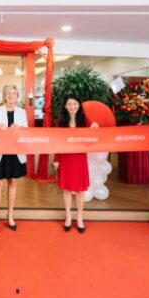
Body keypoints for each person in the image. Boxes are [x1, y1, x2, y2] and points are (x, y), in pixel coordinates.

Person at [0, 85, 28, 237]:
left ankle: (10, 215)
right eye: (8, 93)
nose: (11, 95)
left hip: (15, 153)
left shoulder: (22, 112)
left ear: (17, 96)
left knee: (13, 182)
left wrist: (20, 128)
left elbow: (26, 132)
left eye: (14, 93)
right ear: (4, 96)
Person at [53, 95, 98, 233]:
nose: (72, 106)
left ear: (79, 106)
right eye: (69, 104)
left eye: (75, 104)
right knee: (66, 189)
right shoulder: (60, 122)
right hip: (65, 158)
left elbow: (94, 136)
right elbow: (56, 142)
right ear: (65, 106)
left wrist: (95, 127)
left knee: (80, 190)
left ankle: (79, 217)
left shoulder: (85, 121)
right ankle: (68, 216)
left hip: (79, 158)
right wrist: (56, 159)